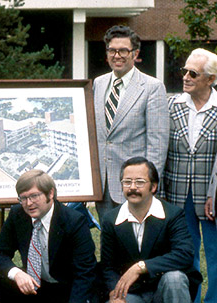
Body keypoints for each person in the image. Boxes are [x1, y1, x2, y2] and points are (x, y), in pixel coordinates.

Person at [93, 25, 169, 223]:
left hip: (135, 185)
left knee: (135, 242)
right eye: (112, 50)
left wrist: (148, 183)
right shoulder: (98, 84)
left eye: (123, 51)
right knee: (108, 240)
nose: (117, 55)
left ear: (135, 53)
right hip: (102, 183)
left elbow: (158, 143)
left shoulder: (152, 87)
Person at [101, 157, 201, 303]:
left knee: (175, 278)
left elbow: (184, 254)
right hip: (131, 292)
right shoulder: (111, 219)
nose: (133, 187)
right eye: (127, 182)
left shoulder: (173, 214)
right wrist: (113, 292)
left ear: (153, 187)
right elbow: (107, 267)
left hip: (165, 288)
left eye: (140, 182)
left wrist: (142, 267)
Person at [0, 170, 96, 303]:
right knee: (0, 280)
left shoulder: (74, 221)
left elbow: (85, 272)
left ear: (50, 193)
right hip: (35, 285)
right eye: (23, 198)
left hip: (66, 288)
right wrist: (16, 273)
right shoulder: (18, 215)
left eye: (34, 196)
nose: (28, 203)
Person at [164, 48, 217, 303]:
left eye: (193, 73)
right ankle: (190, 299)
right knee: (186, 252)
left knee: (216, 253)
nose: (185, 76)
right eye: (184, 70)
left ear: (211, 79)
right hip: (177, 193)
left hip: (212, 196)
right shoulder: (171, 105)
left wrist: (213, 193)